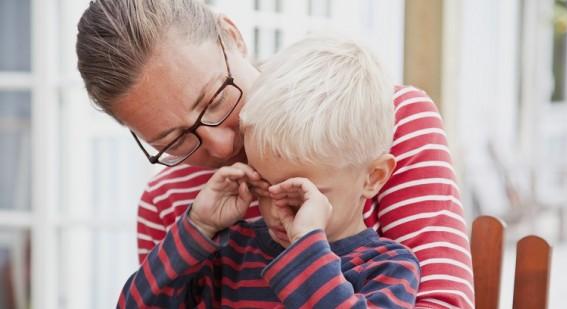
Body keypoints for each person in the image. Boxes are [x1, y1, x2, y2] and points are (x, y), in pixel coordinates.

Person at [76, 1, 473, 308]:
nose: (219, 146)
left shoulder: (387, 123)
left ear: (233, 36)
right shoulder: (170, 204)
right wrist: (195, 230)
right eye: (175, 140)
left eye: (215, 99)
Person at [118, 35, 420, 308]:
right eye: (263, 185)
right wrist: (198, 226)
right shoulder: (231, 256)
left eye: (299, 196)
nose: (278, 212)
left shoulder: (389, 267)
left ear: (374, 177)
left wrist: (307, 249)